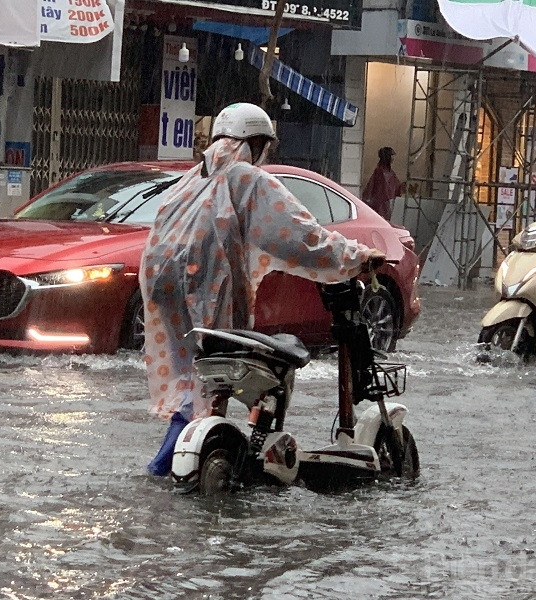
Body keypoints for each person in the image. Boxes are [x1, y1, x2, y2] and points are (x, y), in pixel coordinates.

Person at [140, 102, 385, 476]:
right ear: (254, 143)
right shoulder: (245, 178)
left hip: (161, 288)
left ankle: (172, 463)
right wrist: (355, 258)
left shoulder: (193, 178)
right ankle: (192, 462)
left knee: (197, 379)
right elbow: (301, 236)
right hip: (206, 287)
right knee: (220, 378)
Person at [362, 146, 403, 220]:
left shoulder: (387, 171)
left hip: (386, 204)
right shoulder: (381, 172)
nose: (393, 159)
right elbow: (384, 191)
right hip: (382, 205)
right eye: (391, 156)